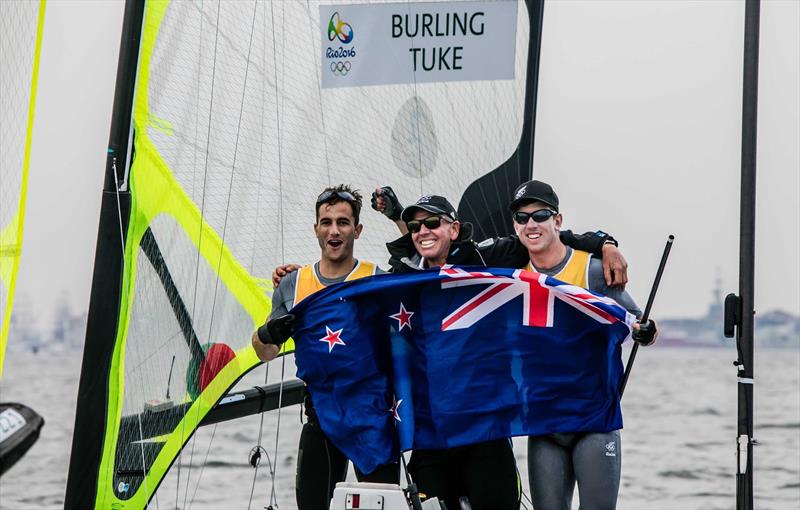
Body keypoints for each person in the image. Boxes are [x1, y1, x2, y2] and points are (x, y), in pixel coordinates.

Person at [507, 179, 657, 510]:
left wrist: (646, 330)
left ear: (557, 221)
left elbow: (636, 321)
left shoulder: (592, 271)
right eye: (522, 217)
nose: (531, 224)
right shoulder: (510, 276)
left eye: (540, 215)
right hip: (545, 424)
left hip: (593, 421)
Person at [251, 185, 399, 510]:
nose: (334, 230)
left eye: (343, 222)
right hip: (321, 419)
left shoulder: (377, 279)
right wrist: (266, 332)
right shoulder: (292, 284)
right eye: (326, 222)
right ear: (316, 228)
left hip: (372, 418)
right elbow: (266, 352)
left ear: (357, 230)